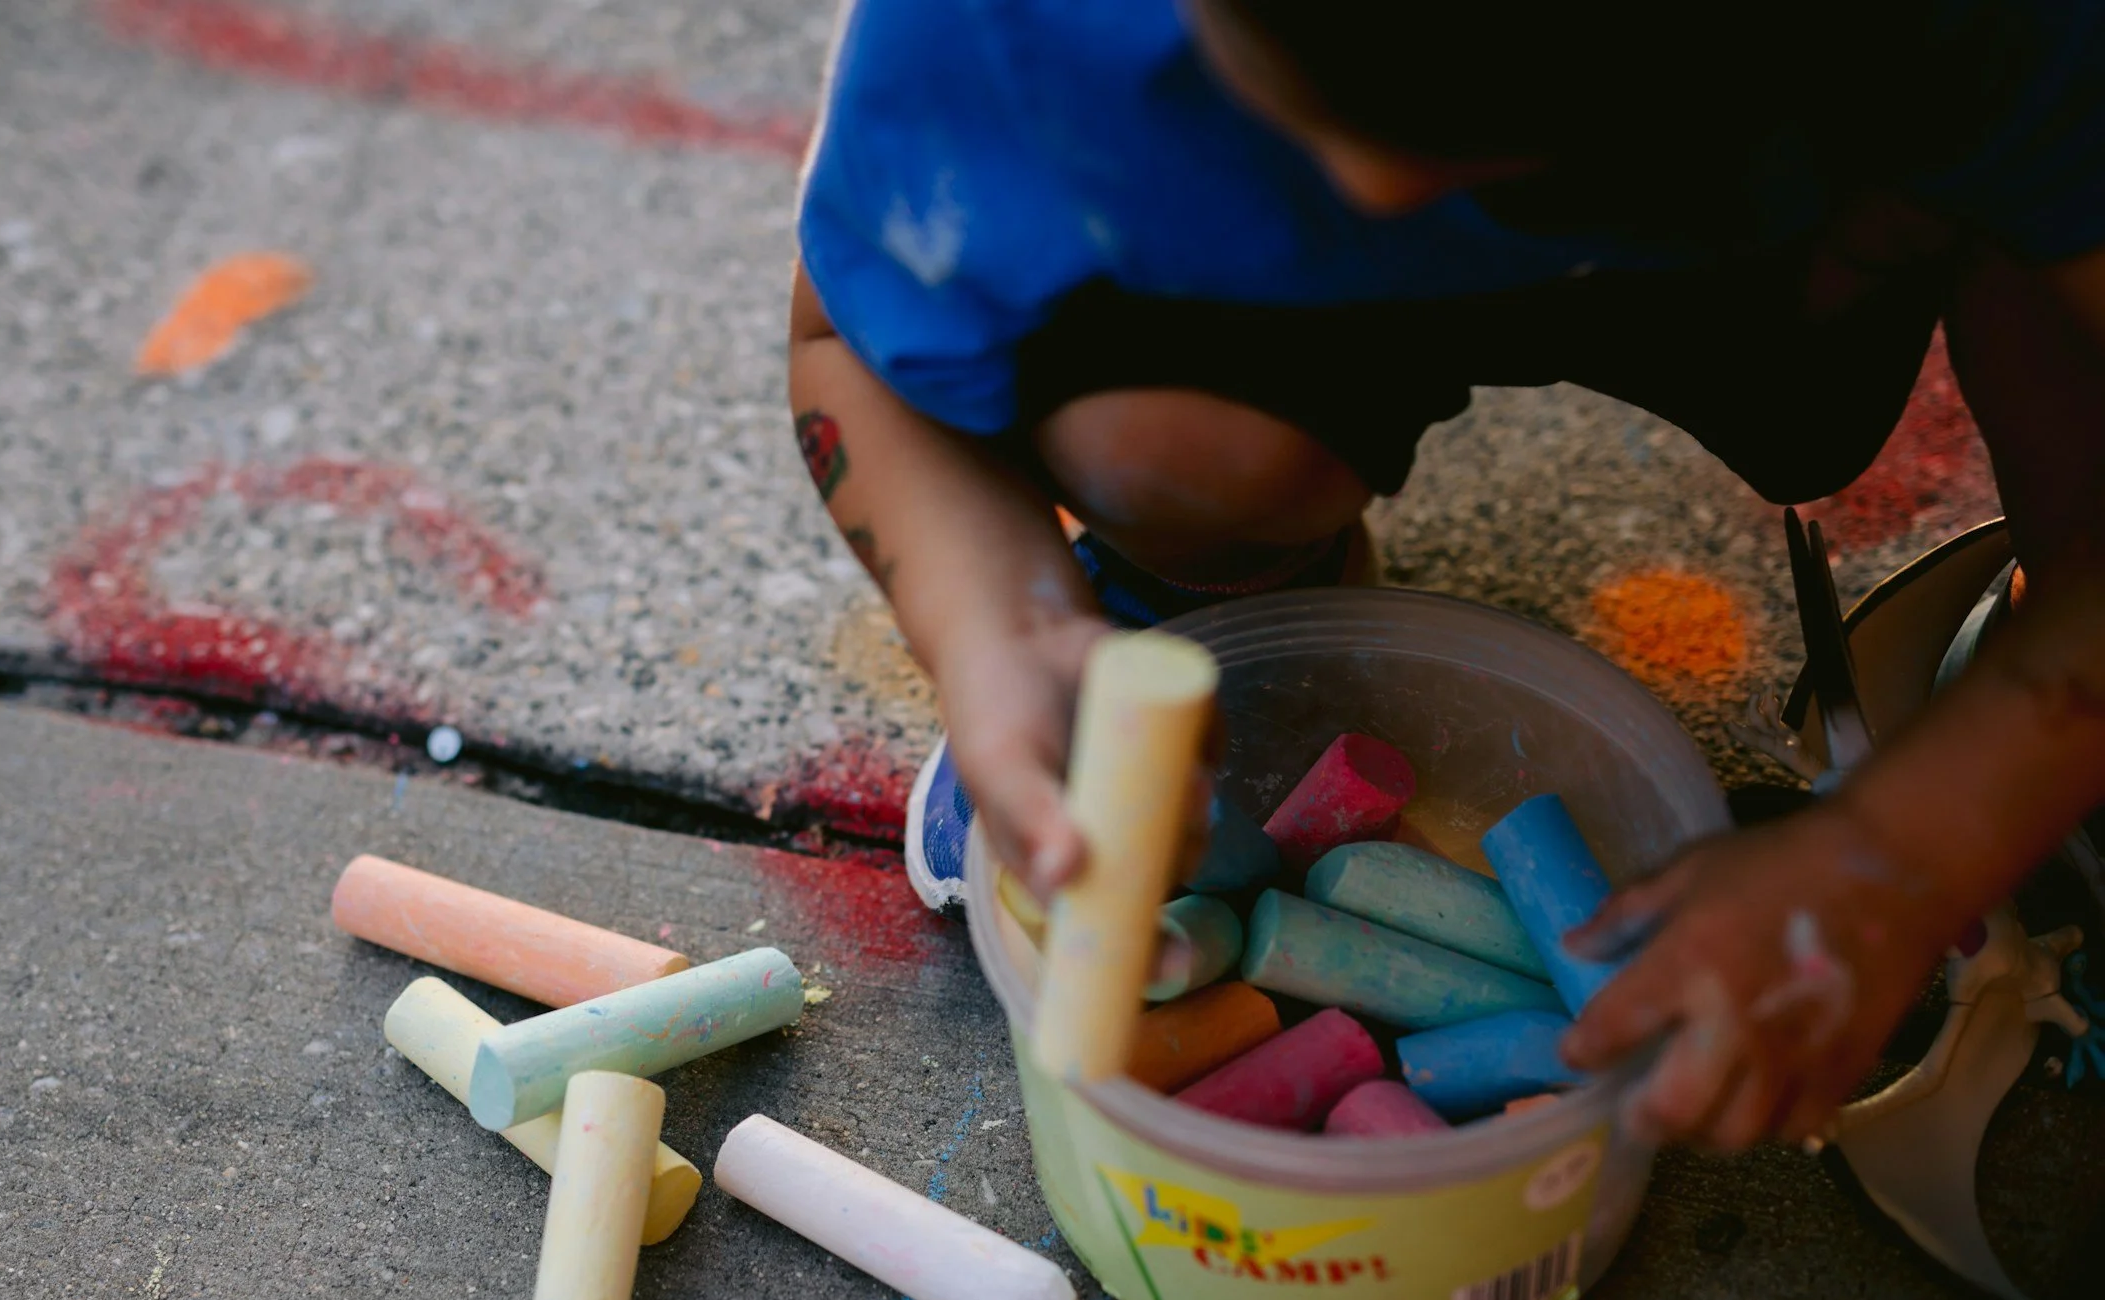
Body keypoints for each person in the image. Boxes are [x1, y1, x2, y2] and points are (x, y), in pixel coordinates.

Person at [785, 0, 2105, 1154]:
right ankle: (1223, 573)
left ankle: (2054, 661)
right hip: (1256, 241)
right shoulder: (1024, 24)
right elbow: (842, 336)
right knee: (1166, 451)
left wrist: (1913, 847)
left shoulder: (1995, 28)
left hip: (1806, 218)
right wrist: (996, 619)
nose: (1376, 187)